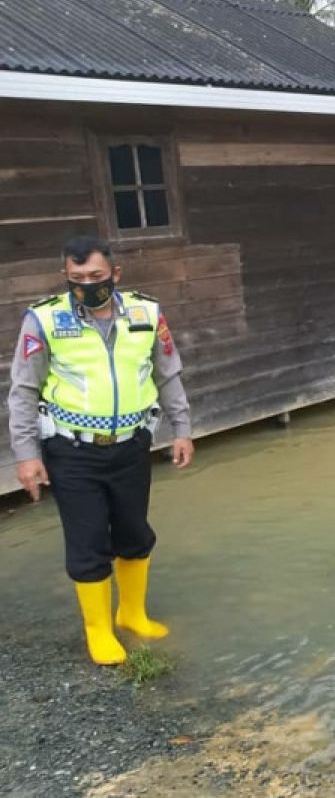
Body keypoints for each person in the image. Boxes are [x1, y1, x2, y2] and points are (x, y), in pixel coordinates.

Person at [6, 236, 193, 666]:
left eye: (96, 277)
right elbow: (23, 390)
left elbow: (168, 374)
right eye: (77, 280)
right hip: (71, 450)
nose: (87, 286)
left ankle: (132, 614)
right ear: (65, 278)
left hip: (131, 445)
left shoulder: (147, 313)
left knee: (134, 533)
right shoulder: (45, 320)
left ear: (115, 275)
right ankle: (99, 629)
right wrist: (26, 454)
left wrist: (181, 428)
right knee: (88, 541)